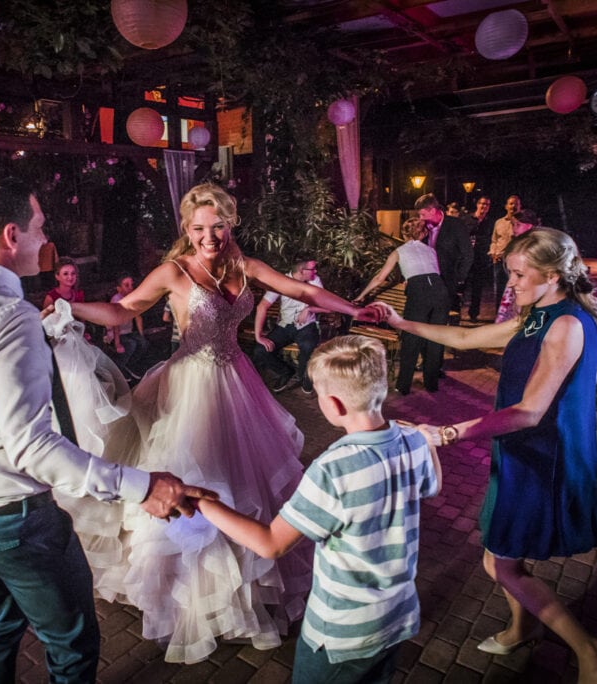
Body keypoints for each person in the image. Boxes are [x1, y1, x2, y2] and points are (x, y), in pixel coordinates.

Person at [62, 182, 383, 663]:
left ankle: (248, 587)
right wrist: (68, 308)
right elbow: (124, 310)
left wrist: (355, 308)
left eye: (217, 227)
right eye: (198, 229)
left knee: (247, 483)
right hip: (190, 388)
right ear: (186, 230)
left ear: (230, 224)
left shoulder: (244, 267)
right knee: (197, 481)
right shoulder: (173, 271)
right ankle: (193, 596)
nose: (208, 237)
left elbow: (301, 289)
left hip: (239, 381)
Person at [0, 176, 215, 683]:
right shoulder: (11, 317)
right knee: (73, 647)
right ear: (12, 236)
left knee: (2, 621)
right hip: (13, 521)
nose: (44, 237)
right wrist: (140, 485)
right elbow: (33, 445)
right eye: (38, 227)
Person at [377, 228, 597, 684]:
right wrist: (400, 323)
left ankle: (593, 651)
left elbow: (530, 412)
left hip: (542, 456)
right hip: (517, 450)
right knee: (500, 551)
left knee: (500, 560)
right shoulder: (536, 315)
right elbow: (466, 339)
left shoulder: (567, 324)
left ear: (552, 276)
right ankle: (523, 625)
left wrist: (448, 432)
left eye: (517, 274)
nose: (509, 284)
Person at [195, 335, 441, 684]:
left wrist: (203, 502)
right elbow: (434, 485)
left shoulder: (333, 469)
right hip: (397, 616)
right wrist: (427, 440)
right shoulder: (414, 441)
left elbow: (271, 543)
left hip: (342, 631)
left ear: (335, 405)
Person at [354, 218, 449, 395]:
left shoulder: (398, 252)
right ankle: (431, 383)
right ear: (422, 233)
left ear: (404, 234)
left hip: (419, 292)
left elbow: (379, 278)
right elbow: (432, 272)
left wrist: (361, 296)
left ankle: (403, 385)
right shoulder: (430, 250)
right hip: (440, 290)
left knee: (411, 336)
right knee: (436, 337)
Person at [251, 254, 324, 394]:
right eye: (313, 269)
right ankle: (285, 372)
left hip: (306, 326)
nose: (316, 272)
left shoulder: (315, 280)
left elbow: (327, 305)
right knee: (260, 350)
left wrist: (309, 309)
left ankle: (305, 377)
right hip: (285, 326)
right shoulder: (280, 281)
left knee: (308, 346)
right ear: (302, 271)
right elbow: (262, 307)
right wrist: (258, 336)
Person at [415, 193, 472, 318]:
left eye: (423, 214)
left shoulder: (456, 225)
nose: (421, 218)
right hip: (429, 281)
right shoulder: (423, 227)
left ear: (433, 211)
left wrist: (459, 278)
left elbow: (467, 254)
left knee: (447, 318)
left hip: (449, 281)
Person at [495, 209, 539, 323]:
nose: (514, 228)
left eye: (518, 225)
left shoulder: (536, 244)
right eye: (513, 225)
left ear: (530, 226)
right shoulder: (516, 243)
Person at [108, 274, 149, 380]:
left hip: (128, 332)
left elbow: (138, 317)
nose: (130, 288)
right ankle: (119, 368)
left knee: (142, 343)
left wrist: (141, 335)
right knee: (131, 344)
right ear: (119, 288)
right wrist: (117, 343)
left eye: (131, 285)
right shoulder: (116, 300)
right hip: (115, 333)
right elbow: (115, 323)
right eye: (126, 285)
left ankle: (130, 365)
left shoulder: (133, 298)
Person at [464, 196, 494, 323]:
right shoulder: (467, 219)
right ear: (477, 205)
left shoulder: (490, 222)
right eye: (482, 204)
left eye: (486, 205)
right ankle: (455, 311)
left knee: (477, 287)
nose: (484, 207)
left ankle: (473, 314)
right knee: (462, 286)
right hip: (467, 257)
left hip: (480, 258)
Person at [488, 195, 522, 302]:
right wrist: (493, 253)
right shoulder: (499, 222)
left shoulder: (523, 224)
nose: (513, 206)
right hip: (500, 260)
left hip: (517, 261)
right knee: (500, 289)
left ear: (520, 206)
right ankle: (500, 315)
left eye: (516, 204)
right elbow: (494, 240)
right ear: (506, 206)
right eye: (511, 204)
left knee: (516, 288)